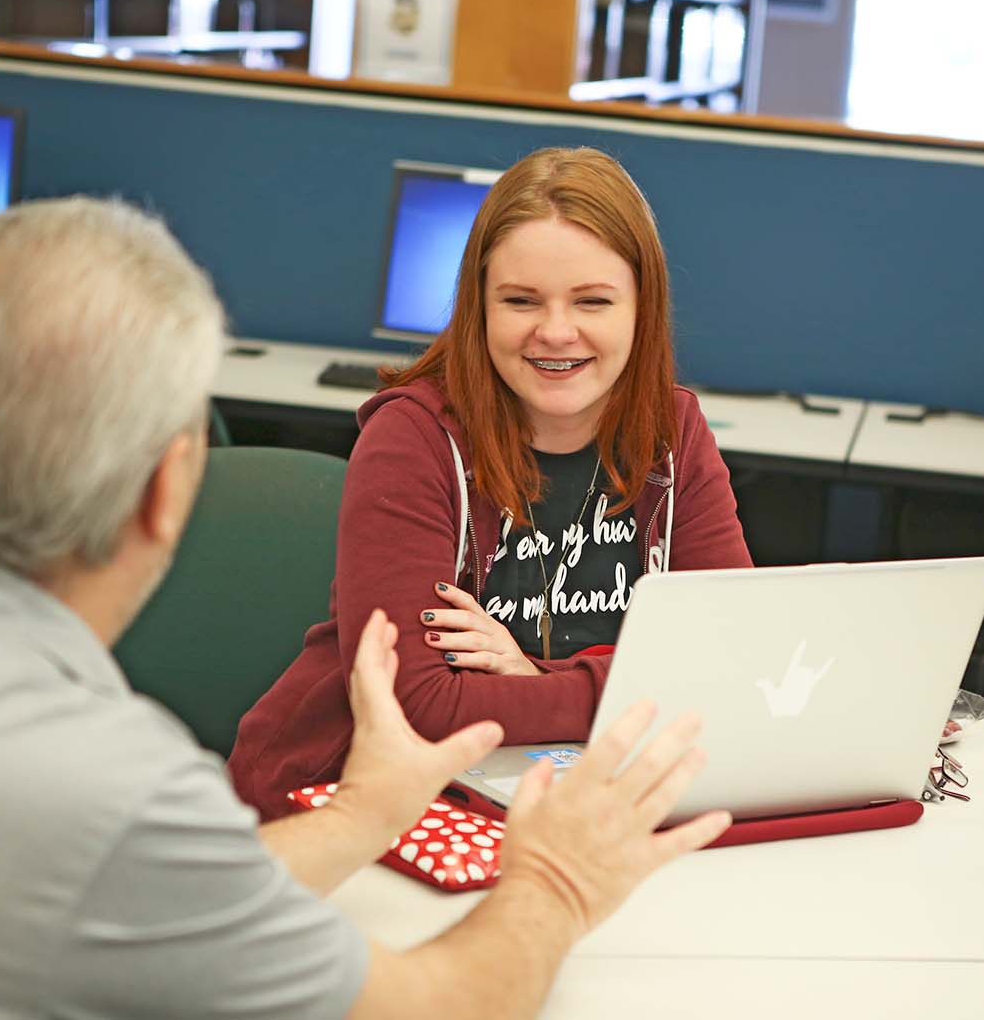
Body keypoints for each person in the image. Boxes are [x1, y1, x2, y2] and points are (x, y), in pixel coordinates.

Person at [0, 197, 731, 1018]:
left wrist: (360, 811)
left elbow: (153, 902)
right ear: (172, 484)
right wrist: (556, 884)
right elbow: (429, 1007)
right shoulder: (118, 796)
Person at [229, 147, 752, 820]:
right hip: (360, 803)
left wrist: (537, 675)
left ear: (641, 306)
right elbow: (419, 705)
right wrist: (625, 681)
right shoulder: (413, 438)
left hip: (555, 792)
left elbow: (729, 664)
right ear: (479, 305)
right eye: (520, 300)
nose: (556, 331)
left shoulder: (672, 431)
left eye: (593, 300)